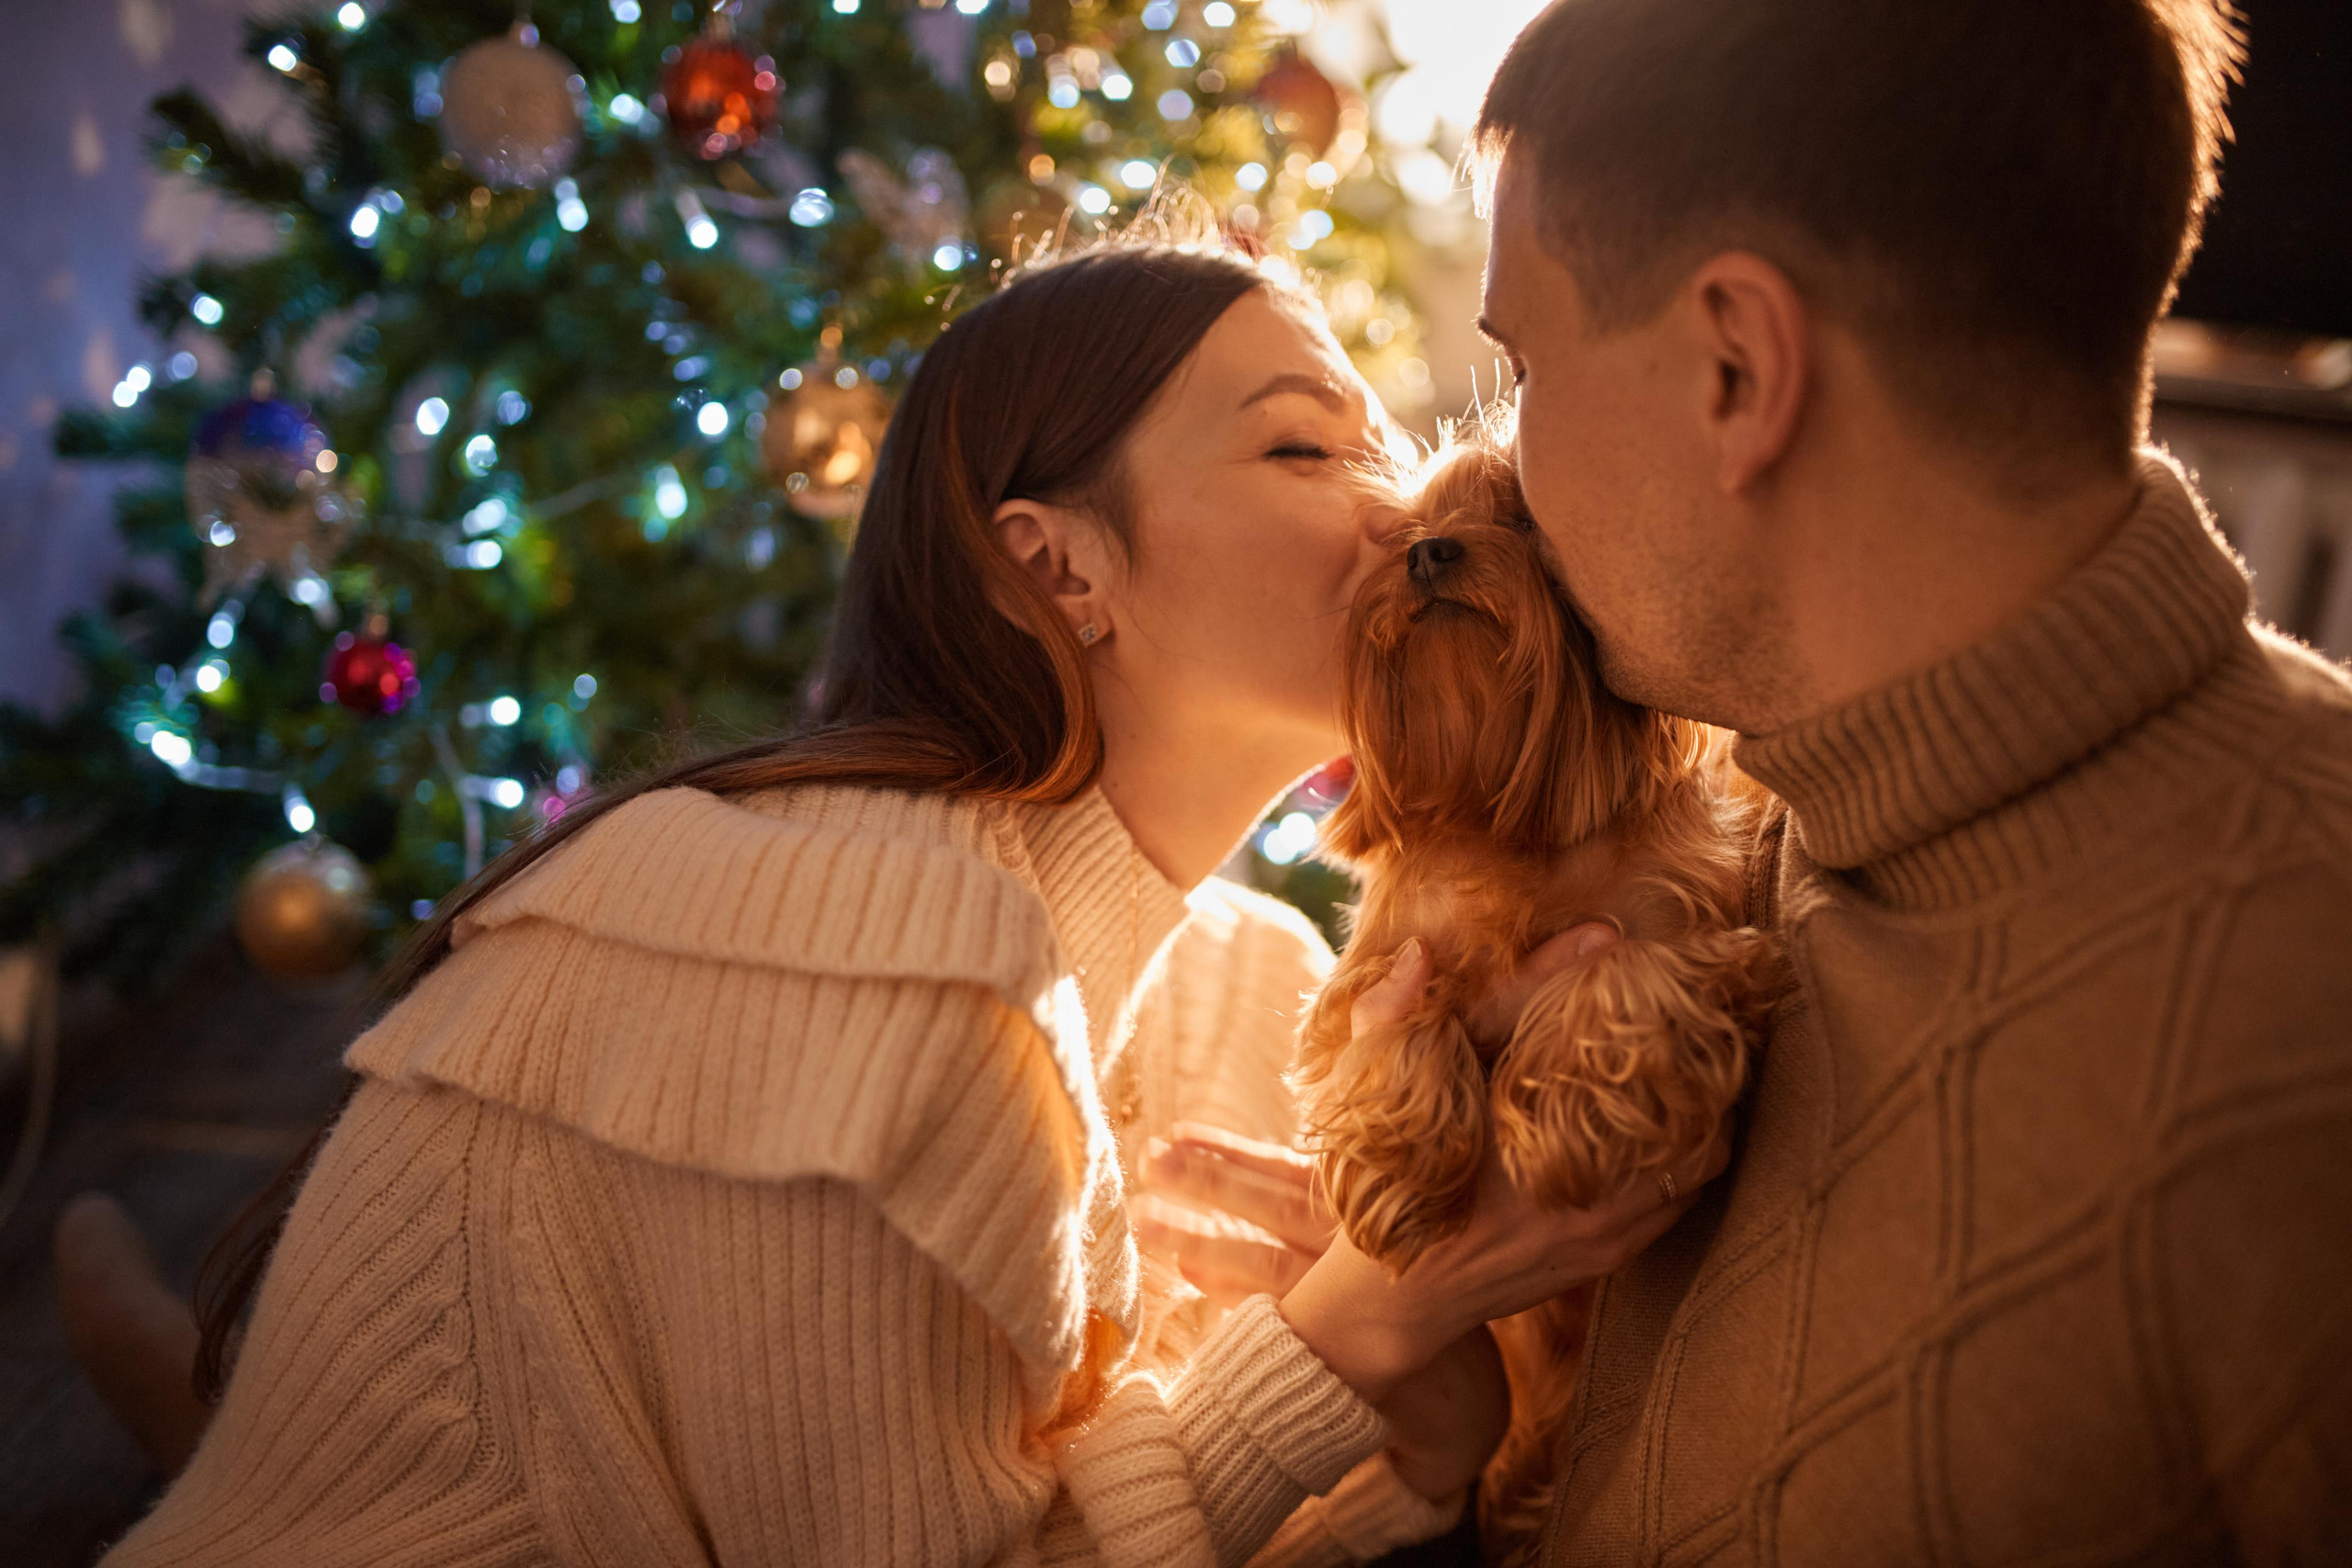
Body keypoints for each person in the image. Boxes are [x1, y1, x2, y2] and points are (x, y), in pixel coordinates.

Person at [88, 234, 1720, 1568]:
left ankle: (179, 1394)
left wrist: (1431, 1441)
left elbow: (1172, 1527)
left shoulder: (1242, 978)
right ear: (1060, 570)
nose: (1400, 512)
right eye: (1306, 443)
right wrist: (1366, 1322)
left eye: (1379, 444)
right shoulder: (877, 961)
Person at [1453, 0, 2352, 1559]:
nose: (1508, 462)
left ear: (1737, 366)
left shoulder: (2301, 1031)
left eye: (1524, 366)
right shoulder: (1722, 853)